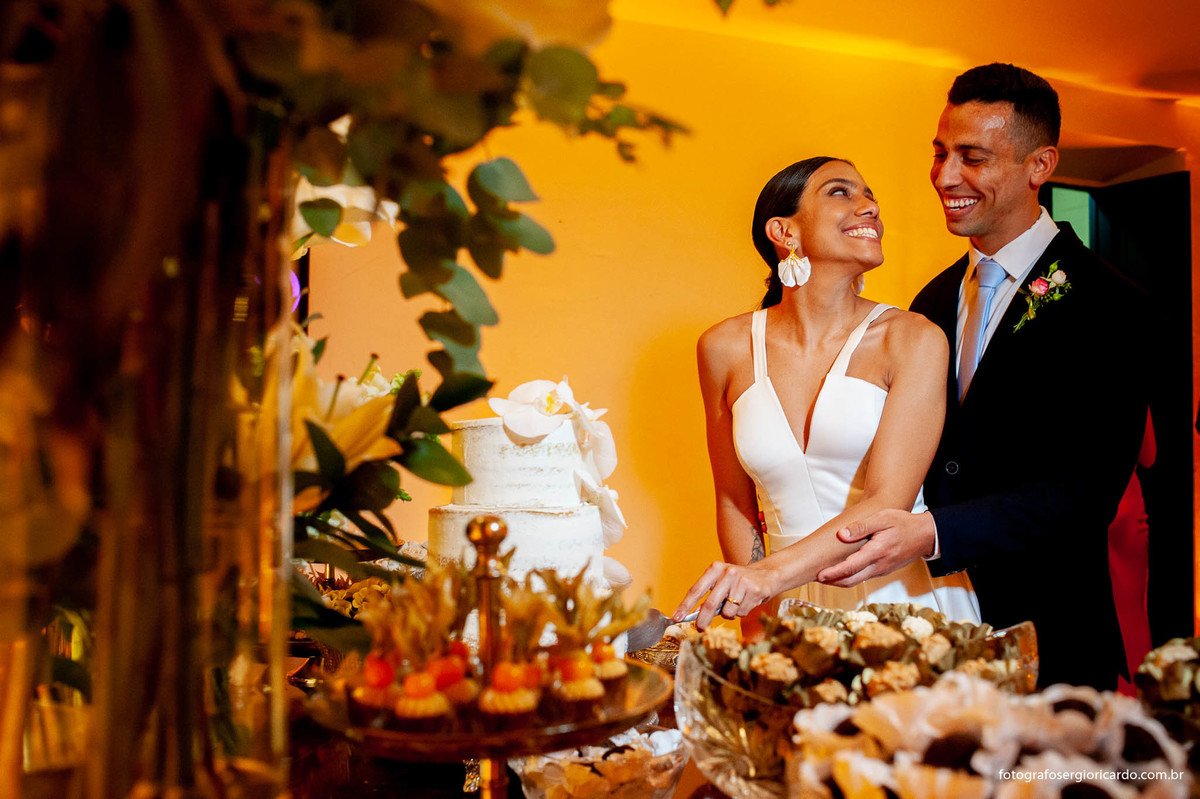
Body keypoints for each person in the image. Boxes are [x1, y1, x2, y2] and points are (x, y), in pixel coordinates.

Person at [815, 64, 1149, 690]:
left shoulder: (1111, 302)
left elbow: (1085, 492)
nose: (945, 177)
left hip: (1054, 638)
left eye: (972, 157)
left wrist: (934, 532)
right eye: (940, 154)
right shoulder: (934, 298)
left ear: (1039, 165)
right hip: (935, 626)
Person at [671, 156, 979, 633]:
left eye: (870, 195)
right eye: (841, 192)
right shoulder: (722, 347)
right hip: (782, 608)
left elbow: (887, 501)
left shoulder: (913, 338)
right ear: (783, 231)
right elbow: (733, 499)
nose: (869, 206)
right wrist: (755, 613)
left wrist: (766, 576)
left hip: (901, 601)